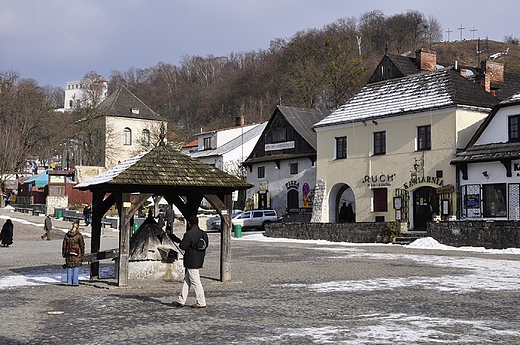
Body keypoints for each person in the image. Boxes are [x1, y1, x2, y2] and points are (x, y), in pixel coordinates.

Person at [171, 215, 209, 308]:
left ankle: (201, 302)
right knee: (187, 280)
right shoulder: (203, 233)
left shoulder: (189, 234)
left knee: (196, 281)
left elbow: (182, 246)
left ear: (189, 223)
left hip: (191, 259)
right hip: (199, 258)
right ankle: (181, 300)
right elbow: (206, 244)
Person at [62, 221, 85, 286]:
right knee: (75, 267)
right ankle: (75, 282)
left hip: (69, 253)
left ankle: (69, 282)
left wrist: (64, 253)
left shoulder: (67, 235)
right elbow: (82, 245)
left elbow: (64, 245)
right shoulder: (79, 235)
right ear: (78, 227)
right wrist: (82, 253)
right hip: (77, 253)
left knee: (69, 267)